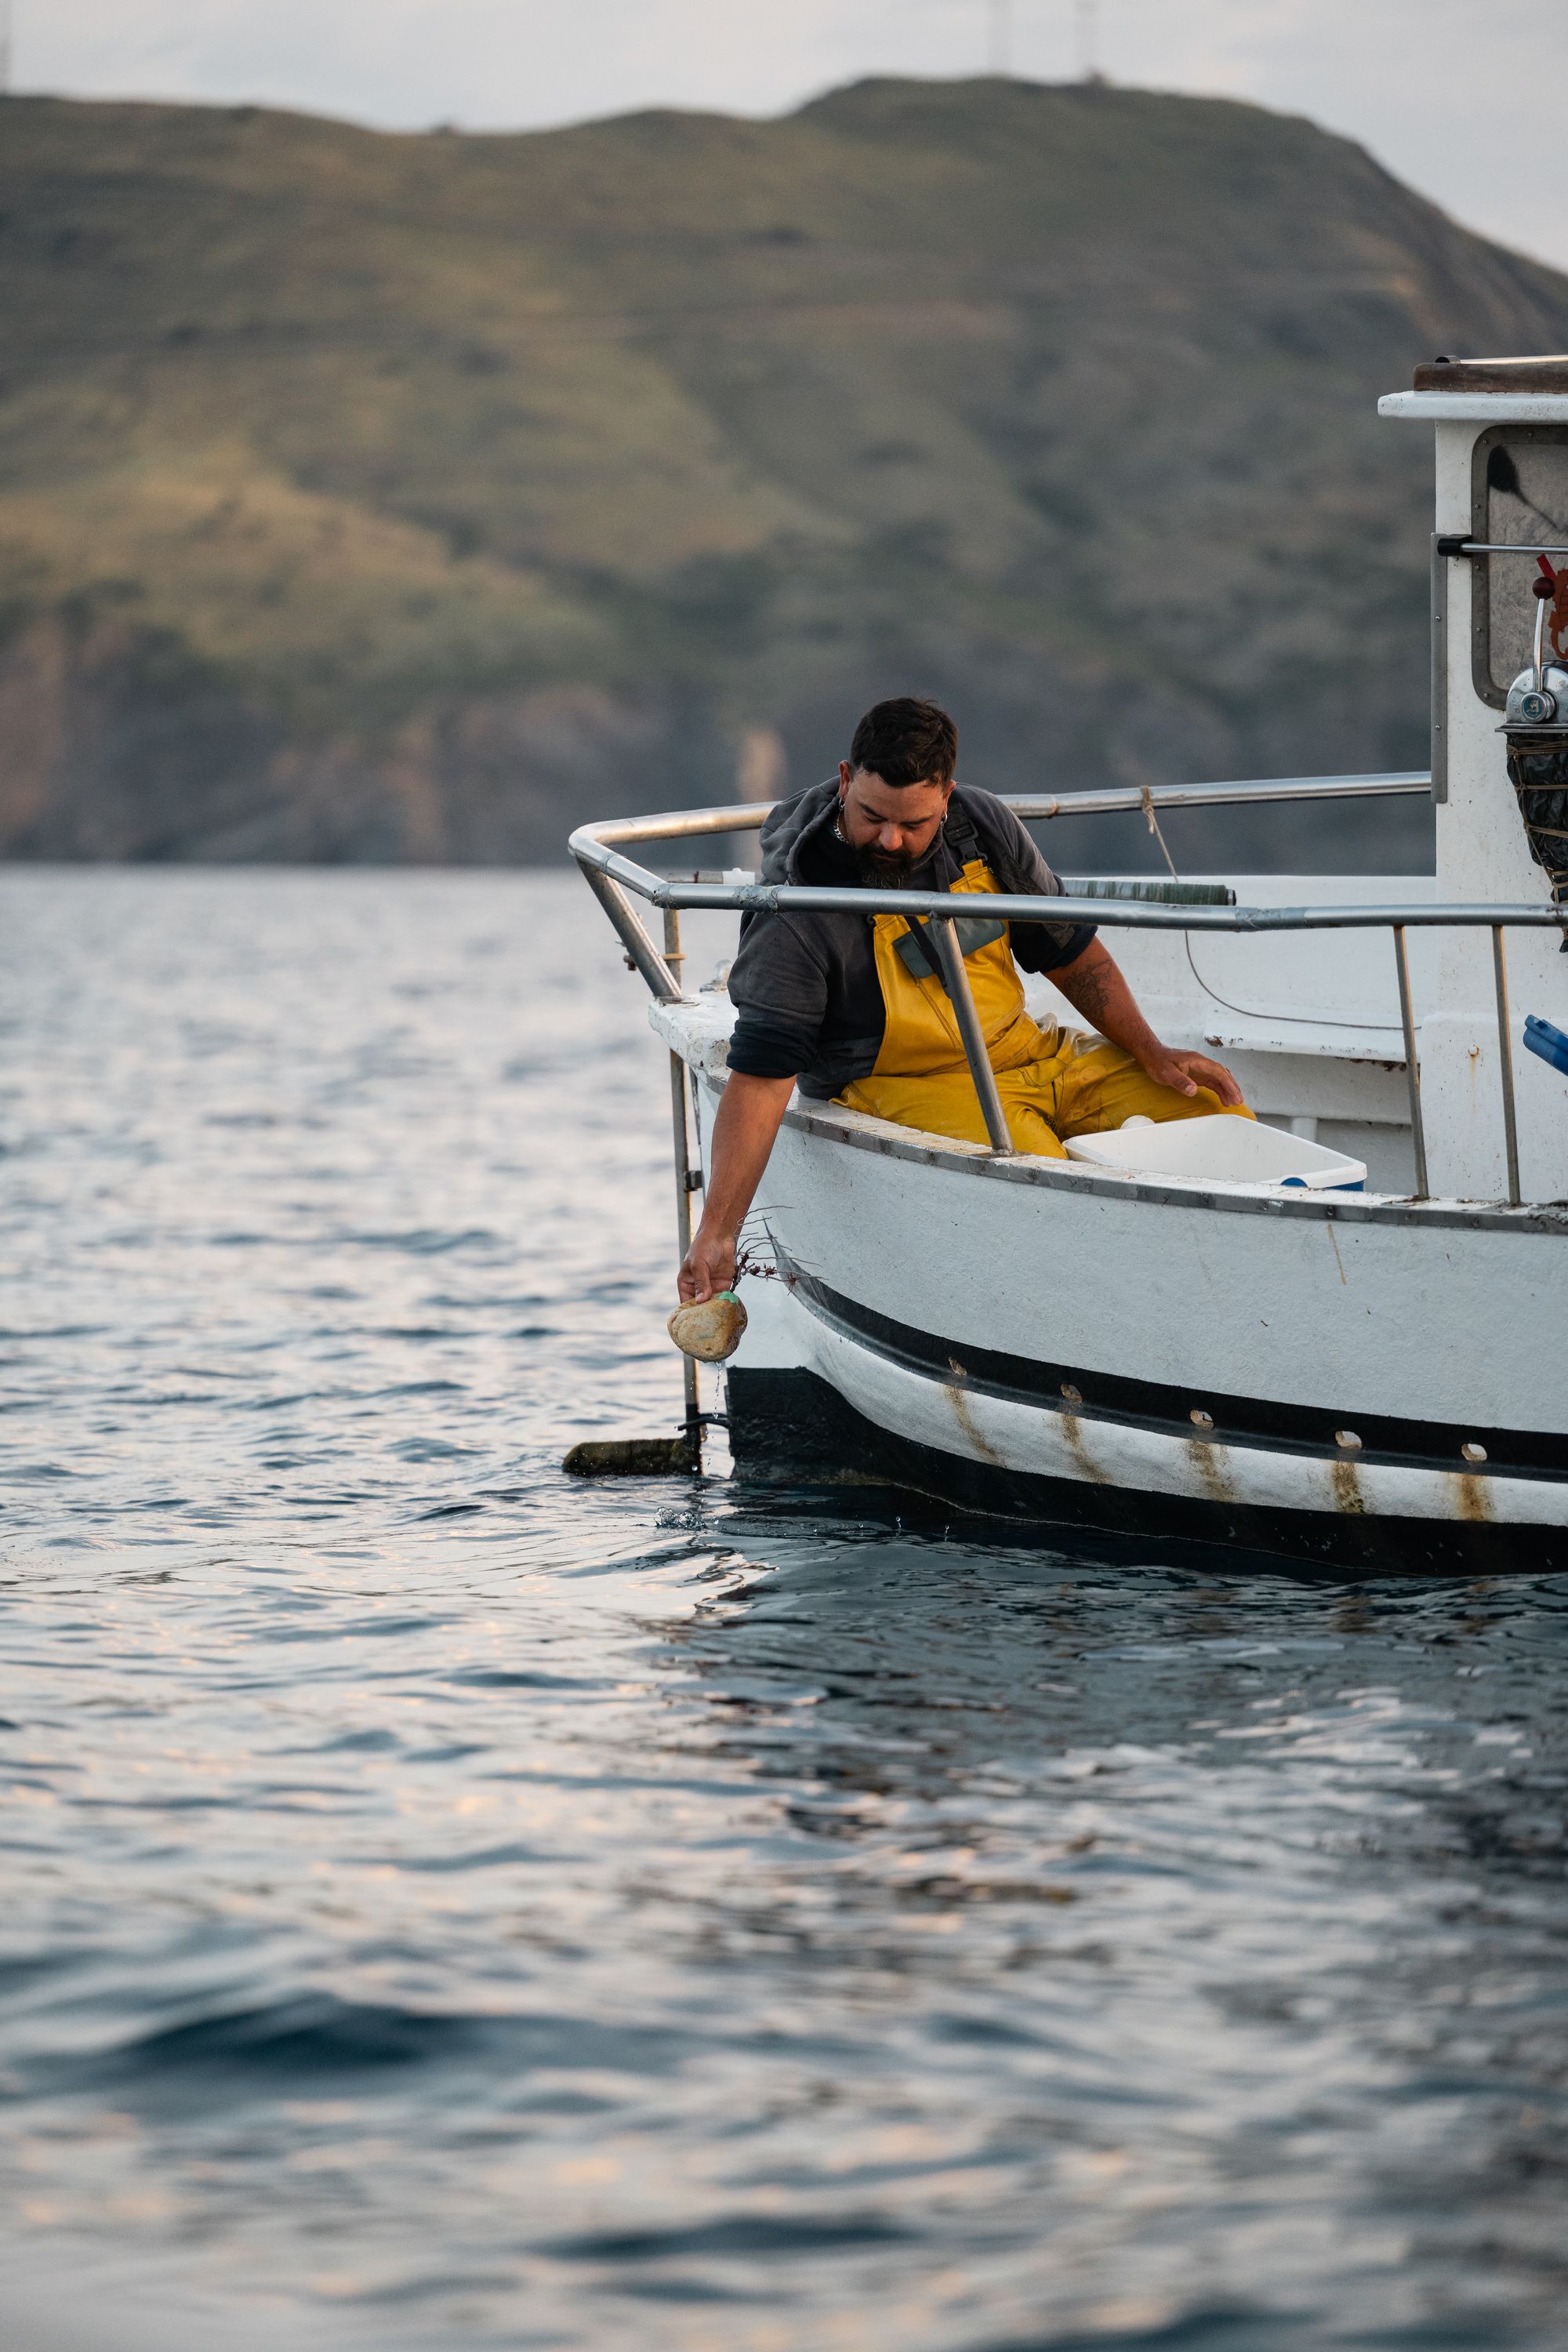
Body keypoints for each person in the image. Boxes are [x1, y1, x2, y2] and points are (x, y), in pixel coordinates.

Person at [678, 697, 1249, 1302]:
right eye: (872, 816)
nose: (891, 839)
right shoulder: (794, 903)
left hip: (1028, 1052)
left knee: (1215, 1118)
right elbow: (764, 1078)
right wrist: (717, 1233)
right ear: (846, 780)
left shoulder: (981, 826)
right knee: (1040, 1177)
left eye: (914, 824)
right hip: (901, 1082)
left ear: (947, 795)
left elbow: (1069, 954)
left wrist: (1151, 1051)